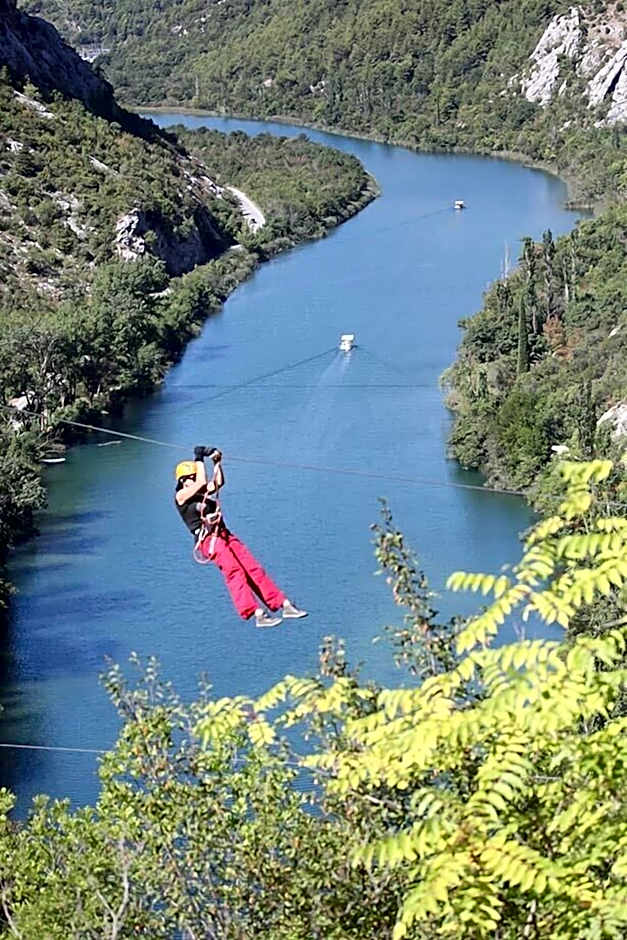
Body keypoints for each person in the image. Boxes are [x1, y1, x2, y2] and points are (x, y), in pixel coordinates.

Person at [174, 446, 307, 628]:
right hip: (209, 541)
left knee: (253, 568)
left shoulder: (201, 492)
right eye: (191, 479)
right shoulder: (181, 496)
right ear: (183, 481)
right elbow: (201, 481)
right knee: (234, 571)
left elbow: (218, 483)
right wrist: (199, 455)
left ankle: (282, 603)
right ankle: (254, 612)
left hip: (224, 535)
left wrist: (217, 463)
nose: (195, 481)